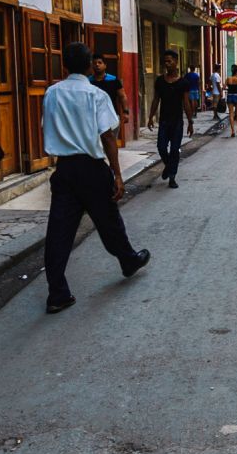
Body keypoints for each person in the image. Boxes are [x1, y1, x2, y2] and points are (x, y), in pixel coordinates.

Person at [38, 42, 149, 314]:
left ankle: (57, 293)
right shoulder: (95, 95)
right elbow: (107, 136)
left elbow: (46, 125)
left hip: (64, 169)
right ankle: (127, 260)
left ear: (65, 65)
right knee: (108, 220)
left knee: (58, 232)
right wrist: (117, 174)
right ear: (90, 65)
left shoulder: (52, 93)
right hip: (91, 167)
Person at [147, 49, 194, 188]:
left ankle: (172, 177)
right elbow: (156, 100)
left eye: (169, 61)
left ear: (176, 62)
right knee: (161, 147)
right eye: (165, 61)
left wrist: (190, 122)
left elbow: (186, 103)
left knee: (174, 149)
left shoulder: (183, 83)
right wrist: (150, 117)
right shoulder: (160, 81)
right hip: (164, 121)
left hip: (177, 122)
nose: (167, 64)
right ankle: (168, 166)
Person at [89, 54, 129, 126]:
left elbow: (122, 96)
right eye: (95, 63)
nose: (97, 65)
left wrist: (125, 112)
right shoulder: (89, 81)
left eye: (100, 63)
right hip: (93, 118)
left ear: (105, 65)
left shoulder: (113, 80)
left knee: (111, 137)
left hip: (111, 116)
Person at [224, 64, 237, 137]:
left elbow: (223, 87)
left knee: (231, 114)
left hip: (230, 96)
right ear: (236, 72)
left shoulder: (228, 79)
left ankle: (232, 131)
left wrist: (229, 88)